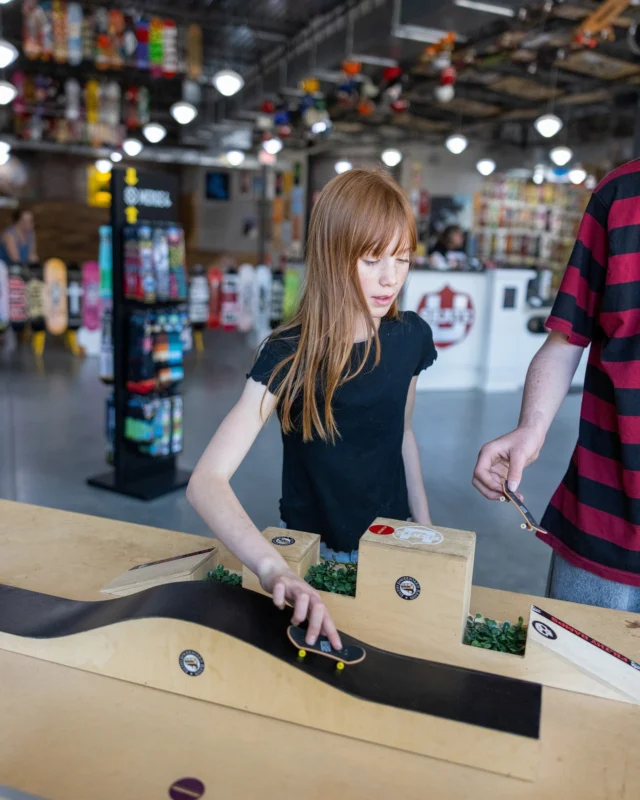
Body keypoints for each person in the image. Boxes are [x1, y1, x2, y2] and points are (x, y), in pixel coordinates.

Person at [188, 169, 437, 648]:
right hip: (313, 555)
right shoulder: (289, 353)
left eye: (401, 259)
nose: (390, 279)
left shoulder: (412, 336)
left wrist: (426, 532)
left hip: (393, 541)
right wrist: (272, 570)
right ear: (332, 256)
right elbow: (206, 482)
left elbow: (402, 436)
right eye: (371, 260)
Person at [473, 160, 640, 612]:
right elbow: (566, 341)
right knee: (571, 678)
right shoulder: (619, 196)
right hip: (602, 521)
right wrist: (531, 426)